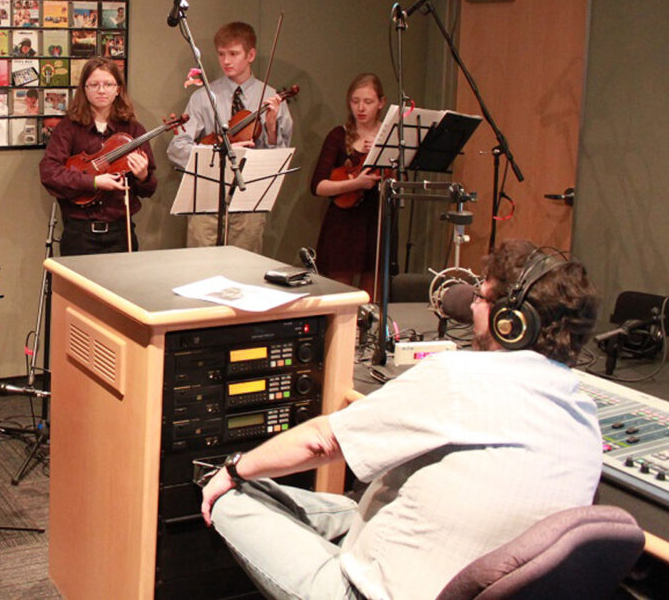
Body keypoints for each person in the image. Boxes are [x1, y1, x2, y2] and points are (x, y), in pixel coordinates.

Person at [200, 239, 602, 599]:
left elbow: (323, 441)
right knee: (282, 492)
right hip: (448, 572)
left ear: (510, 322)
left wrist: (233, 469)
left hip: (361, 592)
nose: (471, 305)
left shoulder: (457, 378)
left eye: (481, 297)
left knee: (228, 495)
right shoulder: (584, 415)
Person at [166, 22, 294, 253]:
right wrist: (217, 154)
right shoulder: (203, 97)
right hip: (206, 197)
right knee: (200, 264)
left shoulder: (271, 98)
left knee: (244, 265)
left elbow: (277, 160)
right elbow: (177, 147)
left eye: (234, 54)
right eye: (221, 54)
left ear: (250, 55)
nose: (226, 61)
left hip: (248, 197)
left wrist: (271, 128)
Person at [40, 57, 157, 255]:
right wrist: (93, 182)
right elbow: (49, 173)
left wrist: (143, 176)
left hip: (121, 232)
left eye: (108, 84)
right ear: (85, 89)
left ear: (118, 89)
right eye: (94, 85)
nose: (101, 90)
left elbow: (149, 189)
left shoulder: (133, 130)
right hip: (79, 233)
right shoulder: (68, 128)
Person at [309, 73, 392, 298]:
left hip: (375, 222)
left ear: (381, 103)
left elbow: (397, 181)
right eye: (355, 101)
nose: (361, 108)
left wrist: (383, 152)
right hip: (343, 225)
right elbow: (318, 186)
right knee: (339, 295)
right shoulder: (338, 136)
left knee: (372, 295)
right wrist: (355, 183)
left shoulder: (390, 138)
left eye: (368, 102)